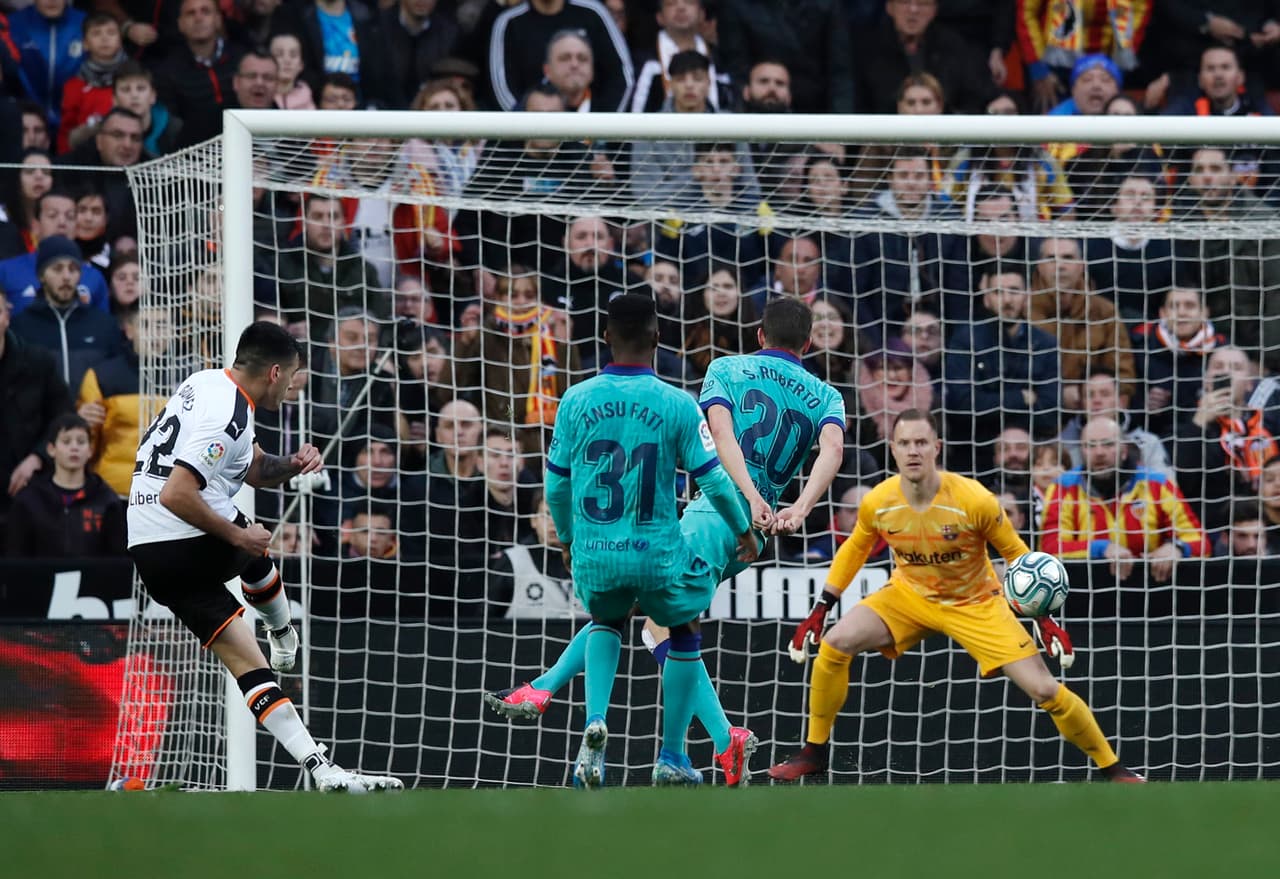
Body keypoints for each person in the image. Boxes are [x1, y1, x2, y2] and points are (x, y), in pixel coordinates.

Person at [488, 297, 846, 787]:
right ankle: (720, 738)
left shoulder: (726, 369)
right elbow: (833, 449)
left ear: (760, 335)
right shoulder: (826, 395)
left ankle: (564, 697)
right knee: (653, 619)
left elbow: (720, 438)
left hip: (716, 511)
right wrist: (799, 508)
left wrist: (747, 497)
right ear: (807, 344)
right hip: (754, 526)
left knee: (648, 621)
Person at [768, 408, 1145, 783]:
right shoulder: (879, 501)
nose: (913, 451)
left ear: (937, 447)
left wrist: (1044, 618)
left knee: (1045, 689)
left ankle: (1113, 768)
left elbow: (1018, 556)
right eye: (904, 443)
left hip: (976, 602)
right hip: (908, 596)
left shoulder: (974, 500)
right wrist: (822, 607)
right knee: (835, 643)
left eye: (921, 442)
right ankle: (814, 751)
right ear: (893, 449)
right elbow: (855, 548)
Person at [127, 320, 401, 792]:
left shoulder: (206, 383)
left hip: (147, 549)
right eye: (292, 376)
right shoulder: (228, 414)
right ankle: (282, 630)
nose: (293, 386)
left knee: (249, 665)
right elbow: (177, 493)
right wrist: (237, 537)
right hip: (181, 531)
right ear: (275, 372)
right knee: (250, 538)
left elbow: (253, 468)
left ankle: (321, 769)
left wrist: (293, 464)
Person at [518, 293, 760, 788]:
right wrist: (743, 530)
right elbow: (715, 482)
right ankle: (672, 754)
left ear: (606, 336)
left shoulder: (575, 399)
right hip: (657, 555)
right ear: (657, 337)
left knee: (606, 621)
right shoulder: (677, 403)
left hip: (596, 552)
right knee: (683, 628)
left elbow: (556, 486)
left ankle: (594, 724)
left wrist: (566, 539)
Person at [1040, 415, 1209, 583]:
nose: (1099, 452)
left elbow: (1202, 544)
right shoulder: (1063, 487)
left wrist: (1178, 547)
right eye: (1090, 445)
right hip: (1086, 588)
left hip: (1150, 587)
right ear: (1081, 451)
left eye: (1108, 444)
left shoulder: (1158, 485)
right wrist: (1101, 548)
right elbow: (1049, 550)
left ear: (1124, 451)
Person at [0, 286, 73, 534]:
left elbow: (64, 416)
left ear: (7, 316)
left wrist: (38, 457)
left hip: (32, 490)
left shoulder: (38, 362)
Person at [6, 412, 126, 557]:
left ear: (90, 450)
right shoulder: (29, 500)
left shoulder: (106, 500)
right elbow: (16, 556)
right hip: (42, 572)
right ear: (51, 449)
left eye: (81, 442)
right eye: (66, 441)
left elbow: (117, 558)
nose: (74, 447)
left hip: (91, 572)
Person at [487, 0, 633, 112]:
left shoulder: (593, 12)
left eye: (581, 58)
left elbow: (621, 76)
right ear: (546, 69)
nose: (574, 64)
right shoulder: (510, 22)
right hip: (533, 134)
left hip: (595, 129)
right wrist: (527, 125)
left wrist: (603, 130)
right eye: (565, 58)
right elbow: (502, 89)